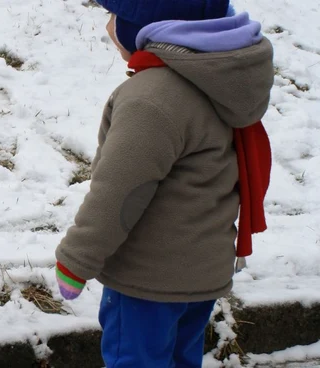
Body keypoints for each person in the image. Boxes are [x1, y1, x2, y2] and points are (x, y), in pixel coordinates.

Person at [54, 0, 274, 366]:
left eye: (115, 16)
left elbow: (119, 191)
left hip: (148, 279)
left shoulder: (152, 98)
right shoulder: (219, 77)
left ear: (146, 25)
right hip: (202, 275)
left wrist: (76, 259)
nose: (109, 25)